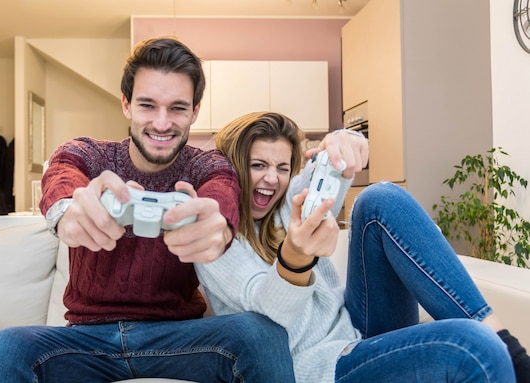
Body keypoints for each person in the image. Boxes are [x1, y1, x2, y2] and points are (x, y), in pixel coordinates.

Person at [0, 38, 296, 383]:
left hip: (179, 338)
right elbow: (63, 170)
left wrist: (219, 220)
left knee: (261, 333)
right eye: (148, 105)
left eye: (178, 108)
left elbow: (222, 186)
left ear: (195, 111)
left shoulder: (206, 165)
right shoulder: (90, 154)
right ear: (126, 104)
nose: (162, 123)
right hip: (85, 340)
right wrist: (66, 211)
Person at [195, 111, 530, 382]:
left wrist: (347, 140)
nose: (272, 179)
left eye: (282, 168)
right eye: (258, 165)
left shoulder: (287, 200)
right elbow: (268, 311)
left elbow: (332, 167)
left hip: (356, 330)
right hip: (317, 367)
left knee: (380, 199)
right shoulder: (215, 235)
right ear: (234, 168)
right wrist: (297, 256)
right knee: (475, 348)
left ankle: (515, 356)